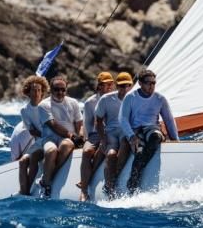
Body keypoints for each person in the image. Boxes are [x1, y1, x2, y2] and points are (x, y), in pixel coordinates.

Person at [119, 69, 179, 193]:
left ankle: (138, 171)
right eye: (148, 83)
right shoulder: (130, 97)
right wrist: (131, 136)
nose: (151, 86)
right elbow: (122, 119)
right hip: (136, 131)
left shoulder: (160, 99)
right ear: (140, 83)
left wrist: (176, 140)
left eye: (153, 83)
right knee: (139, 152)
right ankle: (133, 183)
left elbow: (169, 120)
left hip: (153, 129)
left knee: (155, 138)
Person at [20, 75, 75, 198]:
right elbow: (32, 131)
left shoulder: (49, 105)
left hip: (54, 138)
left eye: (39, 90)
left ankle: (45, 179)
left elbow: (59, 123)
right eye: (33, 90)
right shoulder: (25, 110)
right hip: (41, 140)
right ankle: (25, 191)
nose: (37, 93)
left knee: (48, 152)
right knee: (25, 160)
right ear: (28, 92)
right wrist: (47, 134)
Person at [94, 72, 133, 197]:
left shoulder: (135, 98)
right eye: (121, 86)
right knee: (111, 155)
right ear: (116, 86)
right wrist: (103, 139)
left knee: (125, 142)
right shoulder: (105, 99)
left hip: (126, 131)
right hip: (111, 132)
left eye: (127, 86)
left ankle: (111, 181)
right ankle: (109, 187)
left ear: (131, 86)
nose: (125, 89)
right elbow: (98, 121)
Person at [78, 71, 115, 201]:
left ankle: (84, 181)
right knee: (87, 151)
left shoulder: (117, 98)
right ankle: (83, 192)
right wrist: (88, 140)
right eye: (106, 84)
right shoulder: (90, 102)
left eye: (111, 84)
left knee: (102, 151)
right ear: (99, 86)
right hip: (94, 134)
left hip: (111, 133)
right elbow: (87, 124)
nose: (110, 87)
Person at [10, 120, 42, 196]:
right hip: (24, 152)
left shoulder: (23, 126)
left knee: (24, 160)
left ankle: (24, 191)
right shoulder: (23, 131)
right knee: (24, 160)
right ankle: (25, 191)